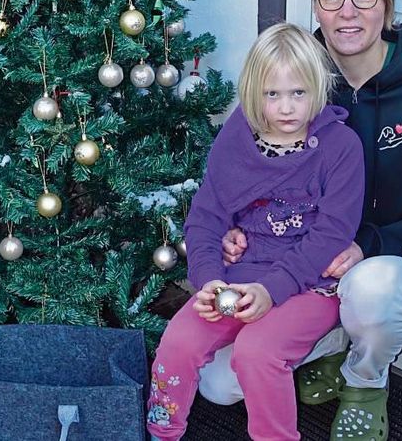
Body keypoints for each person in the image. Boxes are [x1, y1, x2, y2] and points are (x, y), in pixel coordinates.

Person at [209, 0, 402, 441]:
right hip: (305, 269)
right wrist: (234, 226)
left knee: (371, 288)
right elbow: (244, 171)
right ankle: (332, 349)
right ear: (315, 6)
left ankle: (365, 381)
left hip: (396, 269)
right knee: (217, 386)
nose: (348, 11)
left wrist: (370, 245)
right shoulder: (295, 82)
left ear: (387, 4)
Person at [146, 23, 364, 441]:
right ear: (254, 93)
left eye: (298, 93)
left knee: (258, 352)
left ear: (317, 88)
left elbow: (332, 234)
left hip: (307, 285)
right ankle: (162, 432)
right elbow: (206, 215)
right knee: (178, 340)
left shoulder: (341, 147)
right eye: (272, 95)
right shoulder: (238, 136)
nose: (286, 108)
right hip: (237, 277)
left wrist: (273, 289)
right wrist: (207, 280)